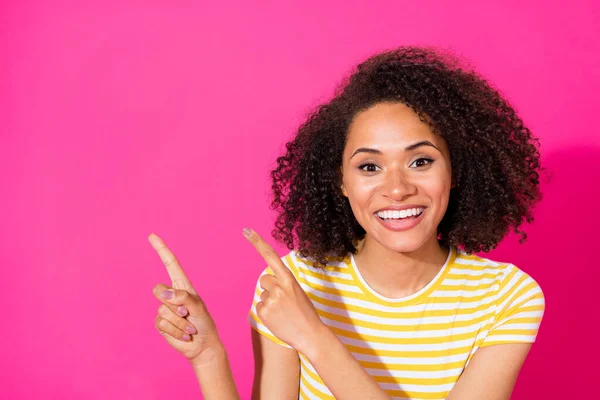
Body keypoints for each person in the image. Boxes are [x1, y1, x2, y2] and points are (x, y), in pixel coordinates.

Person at [149, 46, 545, 400]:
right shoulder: (296, 282)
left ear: (456, 169)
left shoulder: (507, 298)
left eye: (420, 161)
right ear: (341, 181)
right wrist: (208, 358)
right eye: (369, 166)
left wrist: (315, 338)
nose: (396, 188)